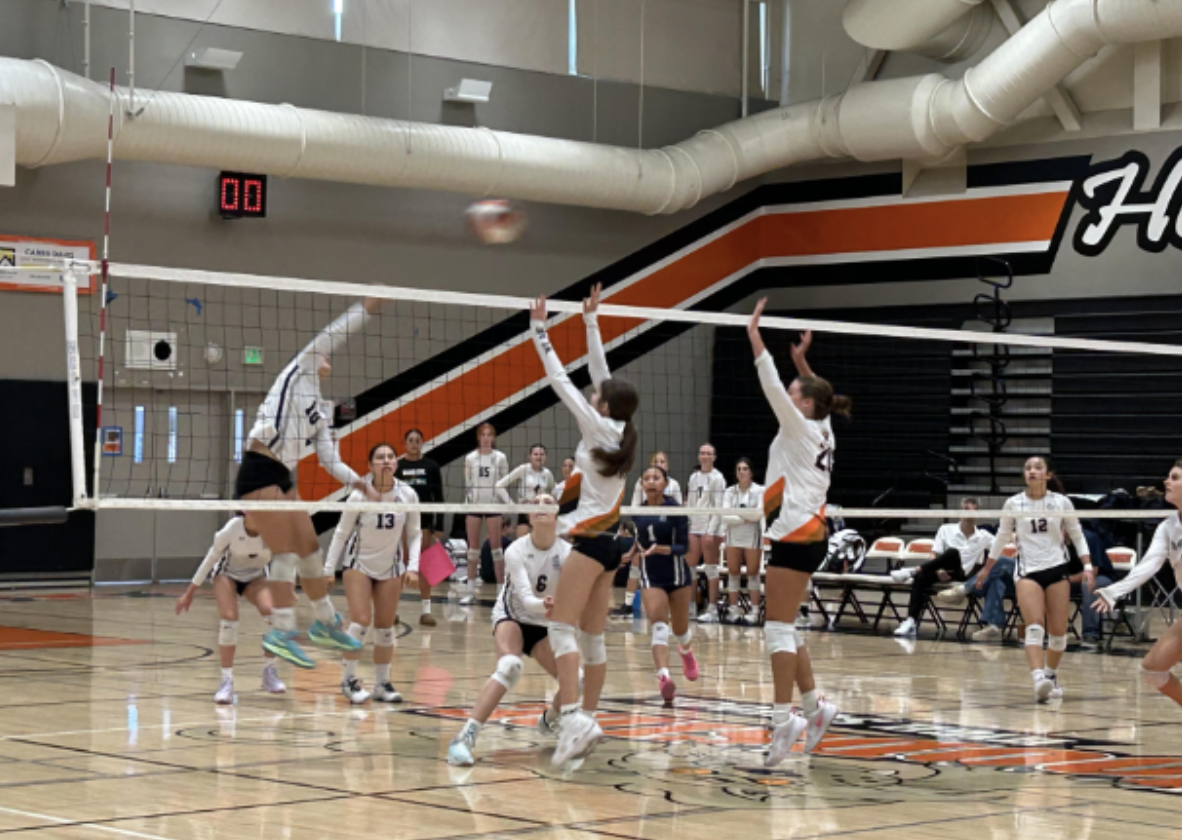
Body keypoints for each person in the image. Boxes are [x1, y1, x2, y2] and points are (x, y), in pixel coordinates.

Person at [238, 298, 382, 668]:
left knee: (309, 549)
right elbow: (336, 333)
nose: (327, 359)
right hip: (258, 468)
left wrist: (359, 483)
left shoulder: (322, 412)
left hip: (284, 477)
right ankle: (281, 630)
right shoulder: (299, 369)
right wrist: (366, 308)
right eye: (324, 355)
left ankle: (323, 622)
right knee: (285, 551)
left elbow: (328, 459)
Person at [529, 282, 638, 766]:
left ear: (605, 406)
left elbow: (562, 383)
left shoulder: (597, 425)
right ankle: (587, 719)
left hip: (591, 542)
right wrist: (590, 319)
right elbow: (601, 374)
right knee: (592, 637)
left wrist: (540, 331)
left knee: (559, 628)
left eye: (599, 397)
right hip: (612, 545)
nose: (594, 395)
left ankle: (572, 715)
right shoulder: (624, 428)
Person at [747, 300, 847, 767]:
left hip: (797, 535)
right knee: (786, 626)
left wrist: (754, 337)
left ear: (803, 404)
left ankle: (782, 718)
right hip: (805, 533)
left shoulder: (800, 425)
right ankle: (814, 708)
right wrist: (802, 362)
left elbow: (769, 387)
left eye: (795, 392)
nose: (788, 396)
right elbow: (815, 394)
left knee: (775, 630)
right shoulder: (821, 424)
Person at [447, 495, 570, 765]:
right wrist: (547, 605)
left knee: (578, 680)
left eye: (547, 501)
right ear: (528, 515)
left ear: (556, 513)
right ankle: (464, 738)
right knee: (510, 666)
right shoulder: (516, 549)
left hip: (544, 625)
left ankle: (550, 720)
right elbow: (526, 600)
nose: (540, 505)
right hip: (512, 616)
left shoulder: (566, 553)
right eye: (535, 502)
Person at [972, 456, 1092, 703]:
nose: (1033, 471)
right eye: (1028, 468)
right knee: (1035, 625)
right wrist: (987, 568)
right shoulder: (1014, 503)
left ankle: (1051, 676)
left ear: (1048, 475)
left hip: (1057, 568)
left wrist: (1088, 565)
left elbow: (1077, 535)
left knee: (1059, 633)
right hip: (1028, 571)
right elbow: (1002, 537)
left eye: (1038, 468)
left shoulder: (1061, 502)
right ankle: (1038, 679)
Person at [323, 442, 421, 704]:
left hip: (391, 566)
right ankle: (349, 680)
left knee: (385, 629)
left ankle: (382, 684)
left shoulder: (408, 495)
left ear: (396, 463)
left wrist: (413, 568)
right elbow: (341, 534)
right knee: (360, 622)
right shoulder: (359, 496)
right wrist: (328, 569)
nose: (386, 461)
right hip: (359, 564)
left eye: (390, 457)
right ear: (370, 466)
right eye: (380, 457)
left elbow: (414, 534)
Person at [1094, 460, 1182, 709]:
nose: (1167, 482)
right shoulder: (1168, 527)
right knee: (1152, 671)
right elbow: (1148, 565)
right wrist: (1114, 591)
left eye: (1175, 477)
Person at [175, 514, 285, 703]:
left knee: (272, 613)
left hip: (256, 576)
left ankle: (270, 672)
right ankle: (226, 681)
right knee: (229, 618)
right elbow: (211, 557)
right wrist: (190, 592)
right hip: (227, 574)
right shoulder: (233, 528)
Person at [627, 465, 698, 702]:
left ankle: (686, 651)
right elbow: (639, 540)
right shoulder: (636, 512)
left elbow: (684, 547)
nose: (651, 482)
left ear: (665, 484)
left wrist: (662, 549)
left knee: (680, 629)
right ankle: (664, 677)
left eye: (656, 478)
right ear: (641, 484)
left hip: (677, 575)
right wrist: (629, 552)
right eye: (646, 478)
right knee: (658, 623)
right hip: (651, 575)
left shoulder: (676, 511)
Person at [891, 498, 993, 636]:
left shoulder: (984, 536)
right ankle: (911, 621)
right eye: (967, 509)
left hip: (963, 574)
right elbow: (934, 554)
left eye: (974, 511)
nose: (970, 514)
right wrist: (938, 570)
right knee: (922, 577)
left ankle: (913, 571)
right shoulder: (945, 529)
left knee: (953, 552)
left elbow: (1004, 542)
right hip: (942, 570)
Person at [614, 452, 684, 618]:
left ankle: (670, 605)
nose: (659, 464)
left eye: (662, 461)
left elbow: (681, 510)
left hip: (667, 531)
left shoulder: (673, 485)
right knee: (636, 562)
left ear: (667, 466)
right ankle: (628, 605)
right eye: (656, 461)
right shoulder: (642, 482)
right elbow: (634, 508)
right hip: (646, 527)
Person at [394, 428, 444, 627]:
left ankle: (426, 611)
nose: (414, 444)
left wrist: (439, 524)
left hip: (424, 522)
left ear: (422, 443)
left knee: (424, 565)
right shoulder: (397, 466)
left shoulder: (431, 466)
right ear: (405, 444)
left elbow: (438, 498)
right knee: (401, 563)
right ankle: (394, 610)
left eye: (417, 440)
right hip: (402, 521)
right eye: (410, 440)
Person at [462, 424, 510, 603]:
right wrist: (470, 501)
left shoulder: (500, 458)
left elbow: (504, 482)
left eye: (490, 435)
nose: (486, 438)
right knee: (473, 550)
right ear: (478, 437)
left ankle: (500, 593)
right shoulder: (470, 458)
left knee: (496, 550)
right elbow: (467, 483)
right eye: (483, 435)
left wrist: (505, 504)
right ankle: (470, 592)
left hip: (493, 505)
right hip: (474, 505)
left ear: (494, 438)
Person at [721, 457, 765, 625]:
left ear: (751, 472)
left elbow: (758, 513)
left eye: (745, 468)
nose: (741, 472)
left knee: (753, 574)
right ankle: (733, 610)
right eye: (739, 469)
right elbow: (724, 516)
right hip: (733, 536)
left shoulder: (760, 490)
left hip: (752, 536)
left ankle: (754, 611)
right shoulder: (730, 491)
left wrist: (737, 515)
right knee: (733, 573)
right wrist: (744, 518)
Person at [686, 444, 727, 623]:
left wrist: (711, 531)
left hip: (711, 528)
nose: (705, 456)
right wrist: (687, 524)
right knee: (690, 567)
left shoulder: (718, 478)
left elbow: (718, 507)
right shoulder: (694, 477)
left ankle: (713, 608)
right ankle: (691, 606)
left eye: (709, 453)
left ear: (714, 457)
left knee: (711, 568)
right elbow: (690, 502)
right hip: (694, 526)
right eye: (702, 453)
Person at [496, 444, 556, 537]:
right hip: (525, 511)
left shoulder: (547, 473)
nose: (539, 457)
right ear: (530, 456)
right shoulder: (523, 469)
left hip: (541, 512)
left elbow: (554, 491)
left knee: (540, 541)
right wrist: (513, 505)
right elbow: (499, 486)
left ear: (545, 457)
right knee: (522, 541)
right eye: (535, 454)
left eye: (542, 454)